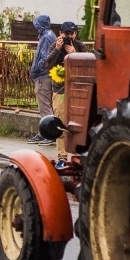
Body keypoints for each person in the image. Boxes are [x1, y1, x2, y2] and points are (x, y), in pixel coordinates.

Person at [45, 21, 87, 169]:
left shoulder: (81, 47)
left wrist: (75, 55)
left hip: (78, 91)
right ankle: (62, 157)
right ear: (60, 34)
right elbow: (47, 65)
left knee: (80, 124)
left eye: (71, 33)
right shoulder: (55, 45)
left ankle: (80, 155)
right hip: (60, 90)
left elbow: (88, 67)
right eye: (66, 34)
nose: (69, 36)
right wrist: (57, 49)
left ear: (75, 34)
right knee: (61, 124)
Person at [28, 15, 57, 145]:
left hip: (43, 76)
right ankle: (43, 133)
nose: (36, 28)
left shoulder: (46, 37)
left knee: (44, 107)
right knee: (45, 105)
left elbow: (44, 58)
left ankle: (50, 135)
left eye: (37, 25)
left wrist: (37, 67)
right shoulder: (49, 34)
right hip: (46, 75)